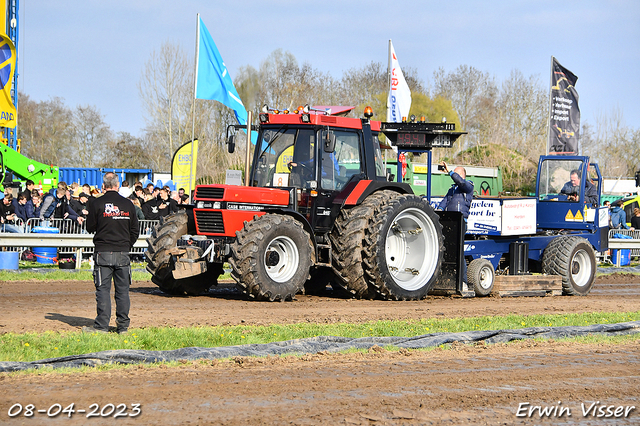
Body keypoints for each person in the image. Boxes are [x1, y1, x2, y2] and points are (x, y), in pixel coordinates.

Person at [84, 172, 139, 335]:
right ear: (117, 185)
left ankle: (101, 326)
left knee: (103, 290)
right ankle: (123, 327)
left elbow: (89, 227)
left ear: (104, 186)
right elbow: (135, 230)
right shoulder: (128, 204)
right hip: (123, 252)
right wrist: (126, 245)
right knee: (122, 291)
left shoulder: (97, 203)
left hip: (103, 252)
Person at [437, 161, 474, 285]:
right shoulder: (452, 190)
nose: (454, 176)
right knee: (446, 250)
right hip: (450, 222)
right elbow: (445, 201)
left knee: (458, 251)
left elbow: (461, 182)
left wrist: (450, 172)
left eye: (456, 173)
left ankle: (462, 281)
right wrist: (438, 211)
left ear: (462, 175)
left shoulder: (468, 186)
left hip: (460, 222)